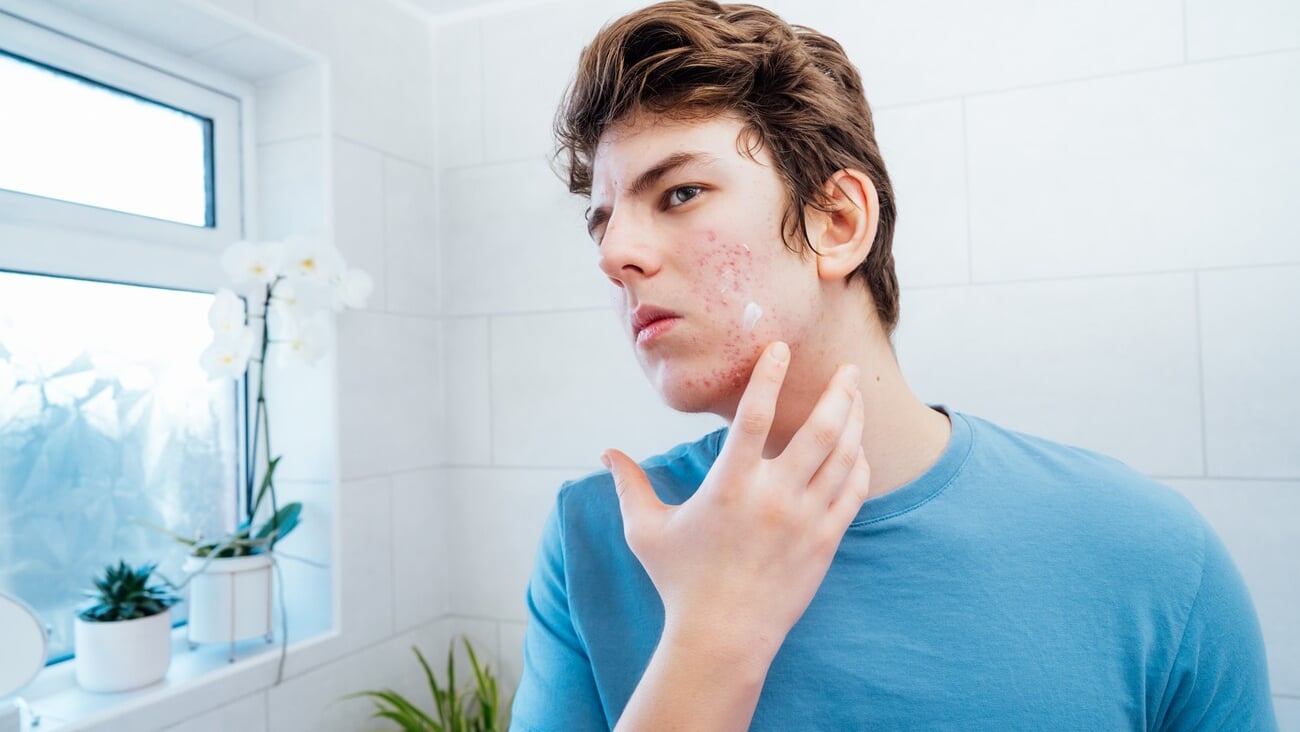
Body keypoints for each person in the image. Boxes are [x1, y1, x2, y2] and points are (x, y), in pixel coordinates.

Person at [509, 1, 1278, 729]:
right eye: (600, 224)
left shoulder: (1151, 557)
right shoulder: (597, 541)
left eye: (680, 193)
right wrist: (712, 639)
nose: (614, 256)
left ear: (838, 223)